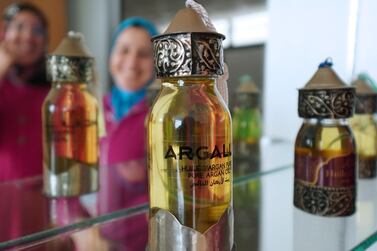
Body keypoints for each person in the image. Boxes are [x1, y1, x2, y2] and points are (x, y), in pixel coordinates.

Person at [98, 17, 158, 251]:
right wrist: (79, 229)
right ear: (111, 55)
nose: (132, 62)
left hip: (143, 242)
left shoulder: (162, 116)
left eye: (143, 54)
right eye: (124, 50)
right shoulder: (89, 109)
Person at [0, 3, 49, 181]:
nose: (28, 37)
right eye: (19, 27)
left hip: (42, 192)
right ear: (4, 33)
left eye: (37, 31)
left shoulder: (54, 88)